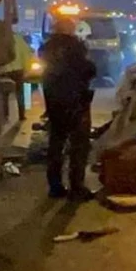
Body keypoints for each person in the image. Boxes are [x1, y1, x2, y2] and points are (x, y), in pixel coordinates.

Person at [38, 17, 97, 199]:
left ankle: (55, 186)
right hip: (76, 102)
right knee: (79, 146)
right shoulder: (76, 47)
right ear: (70, 29)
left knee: (56, 144)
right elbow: (88, 69)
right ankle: (76, 187)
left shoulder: (46, 48)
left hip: (54, 103)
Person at [0, 31, 34, 121]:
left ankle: (5, 115)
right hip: (18, 71)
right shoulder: (19, 40)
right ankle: (21, 115)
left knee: (4, 95)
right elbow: (26, 55)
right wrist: (27, 69)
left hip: (3, 71)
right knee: (20, 93)